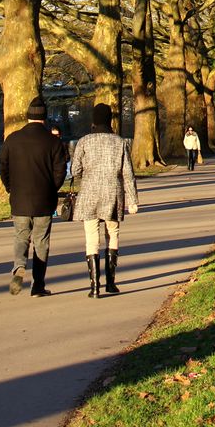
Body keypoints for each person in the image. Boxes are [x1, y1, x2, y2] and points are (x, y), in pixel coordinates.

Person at [0, 96, 68, 297]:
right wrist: (52, 188)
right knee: (41, 241)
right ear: (44, 118)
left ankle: (19, 265)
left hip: (19, 198)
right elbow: (60, 171)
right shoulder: (53, 142)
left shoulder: (12, 139)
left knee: (21, 236)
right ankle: (38, 285)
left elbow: (2, 166)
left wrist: (11, 187)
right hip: (44, 199)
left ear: (28, 116)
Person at [70, 103, 139, 298]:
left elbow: (75, 170)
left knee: (91, 238)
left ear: (93, 121)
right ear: (110, 121)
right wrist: (133, 200)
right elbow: (128, 174)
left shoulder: (84, 142)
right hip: (112, 193)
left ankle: (94, 286)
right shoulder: (120, 143)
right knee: (112, 234)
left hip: (89, 194)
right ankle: (111, 282)